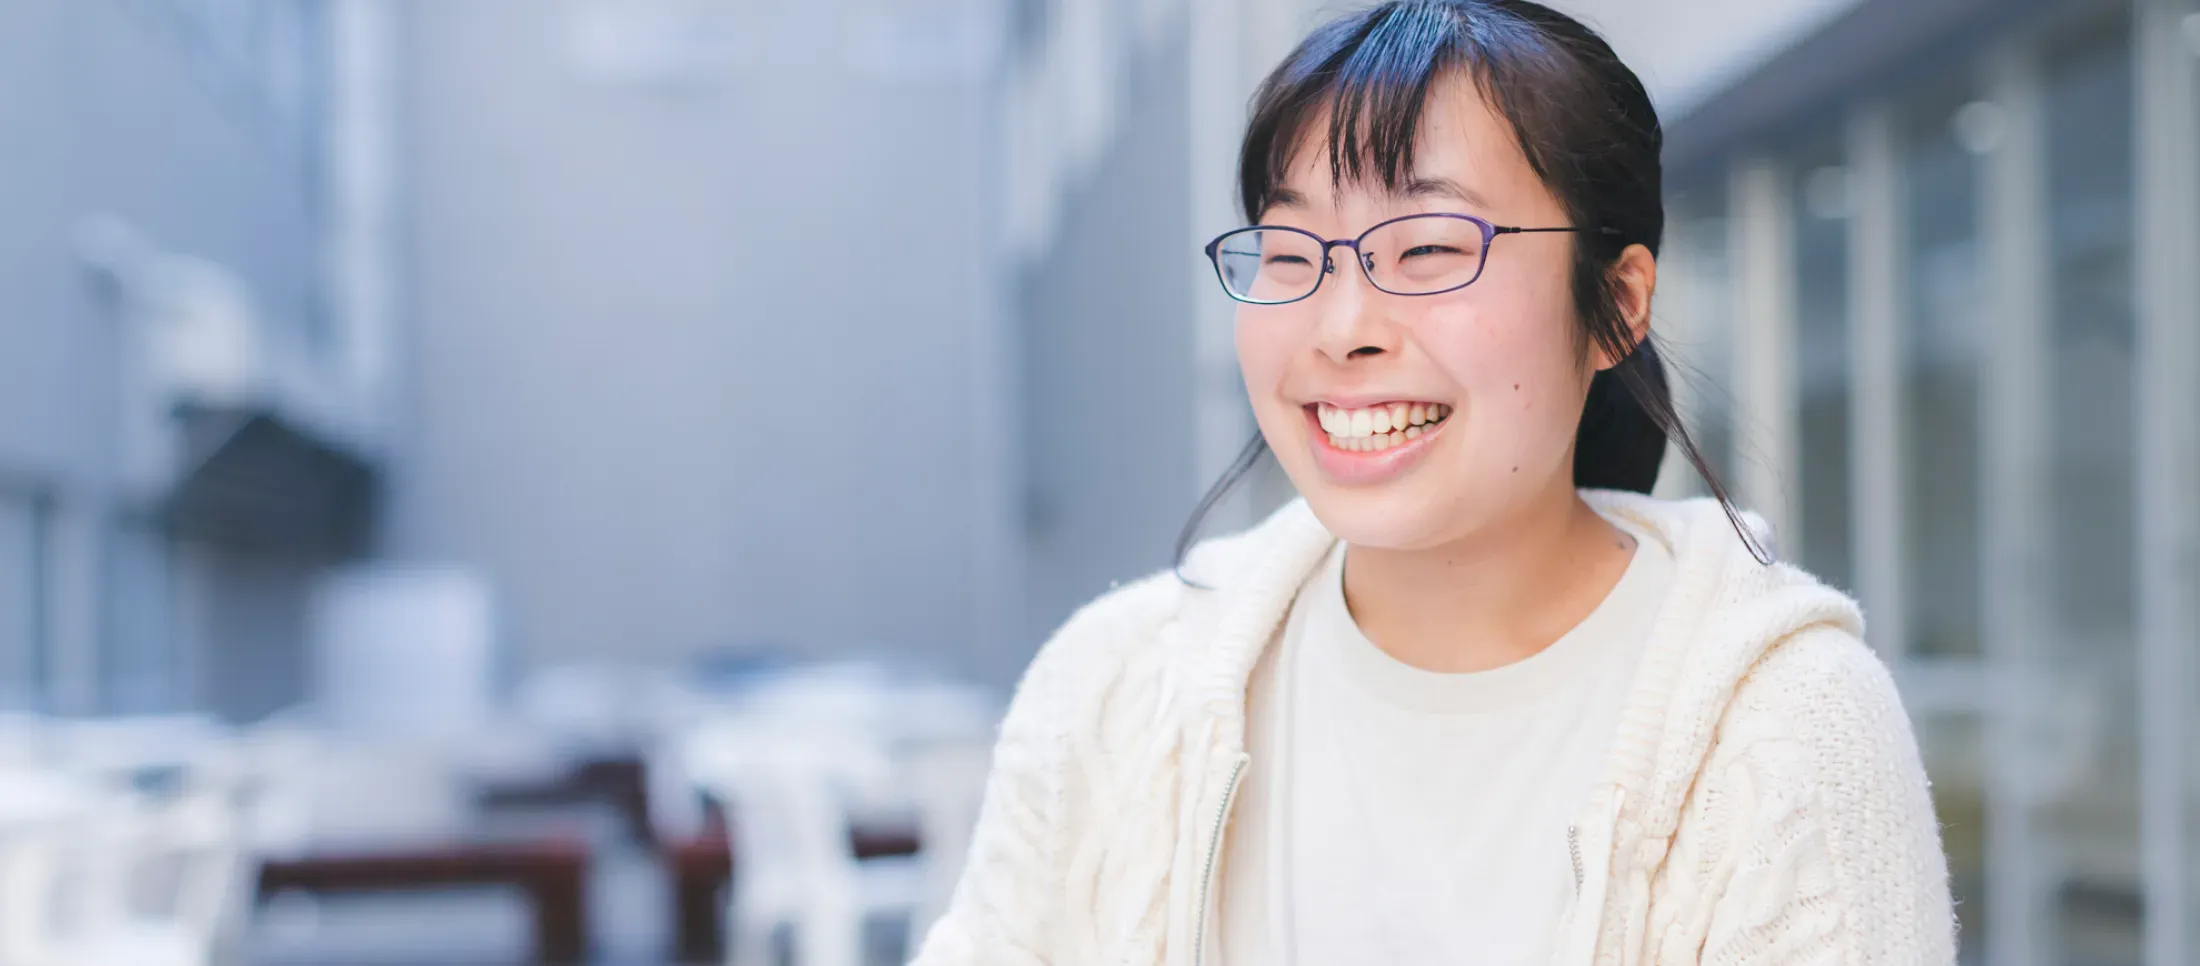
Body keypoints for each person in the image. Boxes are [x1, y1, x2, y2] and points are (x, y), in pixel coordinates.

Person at [913, 1, 1956, 963]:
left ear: (1617, 304)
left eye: (1426, 247)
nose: (1342, 327)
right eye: (1290, 251)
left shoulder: (1787, 731)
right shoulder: (1110, 689)